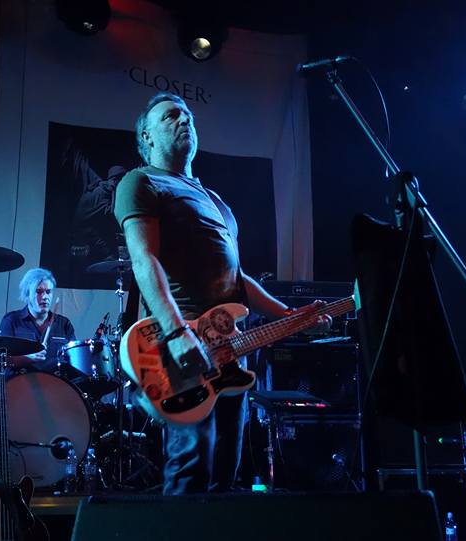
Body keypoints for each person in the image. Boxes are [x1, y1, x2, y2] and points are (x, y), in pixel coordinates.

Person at [114, 92, 326, 494]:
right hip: (183, 344)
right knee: (192, 464)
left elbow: (237, 278)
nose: (184, 120)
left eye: (188, 115)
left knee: (225, 471)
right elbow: (144, 259)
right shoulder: (141, 182)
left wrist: (288, 315)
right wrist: (178, 333)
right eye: (170, 116)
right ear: (147, 136)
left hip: (230, 349)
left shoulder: (216, 202)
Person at [0, 267, 76, 373]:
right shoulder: (11, 321)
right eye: (39, 291)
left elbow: (74, 359)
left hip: (55, 382)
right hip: (20, 381)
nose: (44, 297)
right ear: (27, 294)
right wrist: (28, 358)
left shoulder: (64, 324)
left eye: (48, 292)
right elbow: (1, 360)